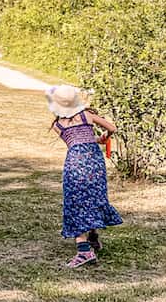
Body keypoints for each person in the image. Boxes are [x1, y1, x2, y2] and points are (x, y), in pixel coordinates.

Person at [46, 85, 122, 268]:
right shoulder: (87, 115)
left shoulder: (58, 125)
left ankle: (84, 251)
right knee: (94, 196)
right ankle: (93, 236)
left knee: (76, 201)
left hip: (75, 163)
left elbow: (75, 142)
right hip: (94, 160)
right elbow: (112, 128)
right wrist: (103, 137)